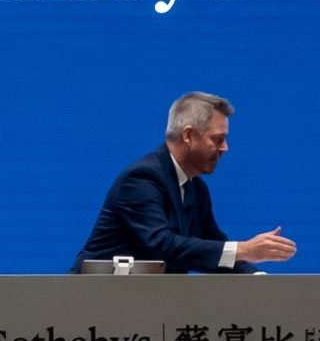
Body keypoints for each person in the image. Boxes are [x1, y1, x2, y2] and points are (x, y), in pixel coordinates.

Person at [71, 92, 295, 274]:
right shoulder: (141, 178)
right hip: (93, 305)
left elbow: (212, 245)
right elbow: (161, 245)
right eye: (217, 139)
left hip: (147, 305)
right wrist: (243, 249)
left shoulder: (195, 188)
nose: (225, 148)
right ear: (189, 136)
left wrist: (256, 277)